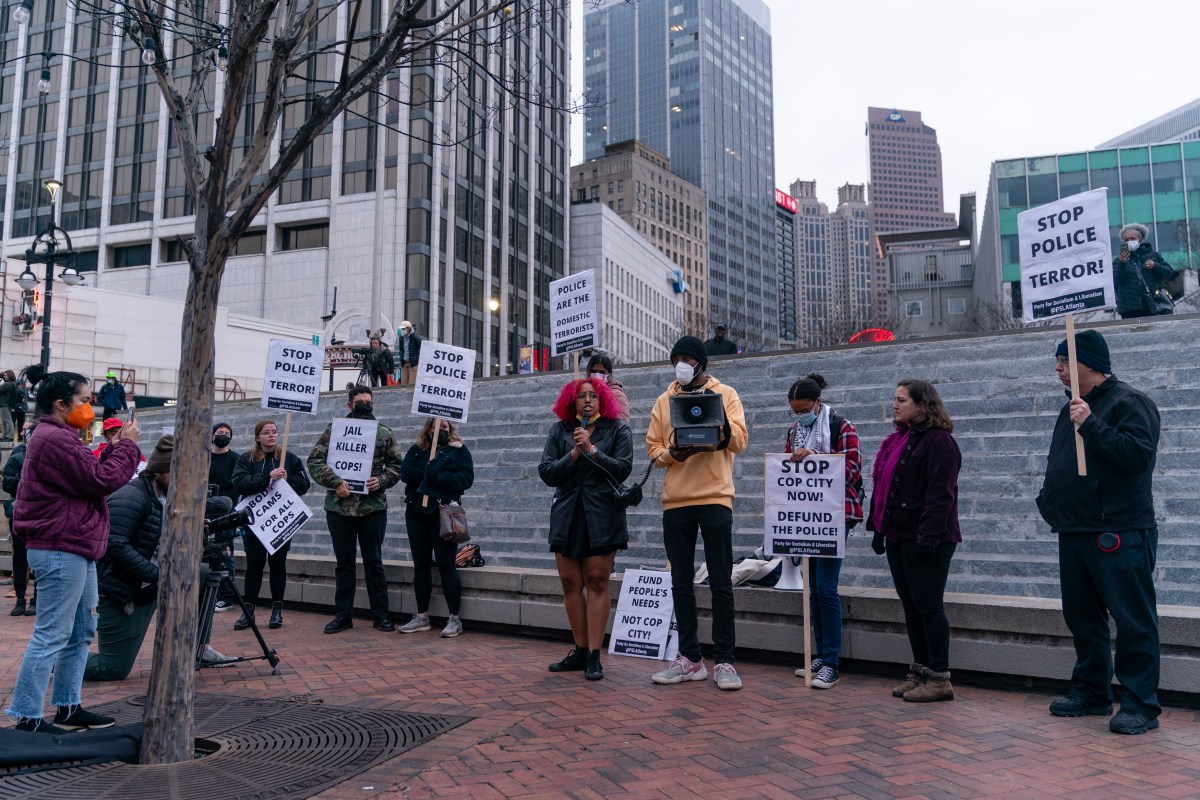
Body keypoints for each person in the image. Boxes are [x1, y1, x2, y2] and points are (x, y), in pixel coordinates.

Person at [1037, 331, 1162, 735]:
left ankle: (1140, 704)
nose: (1056, 368)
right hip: (1075, 529)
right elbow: (1060, 461)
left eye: (1063, 360)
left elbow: (1136, 458)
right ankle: (1091, 690)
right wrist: (1050, 500)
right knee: (1083, 618)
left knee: (1132, 619)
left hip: (1119, 530)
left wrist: (1091, 425)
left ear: (1088, 363)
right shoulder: (1070, 408)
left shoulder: (1130, 403)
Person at [5, 371, 140, 734]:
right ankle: (28, 716)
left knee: (81, 630)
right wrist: (126, 446)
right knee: (52, 633)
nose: (90, 407)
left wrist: (114, 449)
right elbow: (99, 480)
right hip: (60, 547)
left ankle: (67, 706)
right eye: (84, 400)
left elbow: (89, 473)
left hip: (74, 546)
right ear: (61, 405)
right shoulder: (54, 437)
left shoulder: (60, 436)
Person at [84, 436, 234, 681]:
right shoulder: (129, 497)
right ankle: (58, 659)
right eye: (179, 473)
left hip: (150, 584)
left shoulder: (167, 497)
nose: (183, 480)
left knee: (205, 573)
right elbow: (114, 546)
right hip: (121, 593)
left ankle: (199, 648)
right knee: (112, 669)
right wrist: (162, 576)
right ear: (159, 471)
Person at [645, 336, 748, 690]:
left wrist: (716, 418)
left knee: (721, 583)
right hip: (677, 501)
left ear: (702, 363)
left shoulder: (727, 394)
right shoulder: (664, 400)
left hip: (716, 497)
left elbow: (740, 441)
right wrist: (675, 453)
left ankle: (725, 661)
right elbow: (654, 451)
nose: (682, 364)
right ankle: (690, 658)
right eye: (677, 359)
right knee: (680, 582)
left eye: (688, 358)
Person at [866, 379, 962, 703]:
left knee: (929, 606)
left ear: (922, 405)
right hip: (899, 536)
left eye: (901, 400)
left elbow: (940, 496)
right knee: (911, 606)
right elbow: (885, 490)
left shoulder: (940, 442)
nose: (894, 405)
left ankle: (939, 678)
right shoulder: (898, 441)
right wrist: (879, 530)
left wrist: (927, 538)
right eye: (894, 399)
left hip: (928, 539)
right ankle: (920, 671)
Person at [538, 377, 633, 681]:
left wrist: (591, 450)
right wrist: (574, 453)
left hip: (602, 514)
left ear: (603, 399)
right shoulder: (560, 431)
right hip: (567, 514)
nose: (588, 401)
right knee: (569, 583)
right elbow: (547, 472)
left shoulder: (617, 429)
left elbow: (622, 469)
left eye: (593, 395)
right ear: (571, 402)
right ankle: (579, 649)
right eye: (581, 396)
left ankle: (594, 654)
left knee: (596, 581)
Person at [783, 373, 863, 690]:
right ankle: (820, 654)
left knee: (826, 587)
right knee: (813, 588)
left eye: (805, 410)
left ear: (818, 403)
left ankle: (831, 662)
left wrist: (817, 458)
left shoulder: (841, 427)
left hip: (835, 516)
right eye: (796, 411)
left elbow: (854, 470)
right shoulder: (794, 432)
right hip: (807, 516)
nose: (801, 416)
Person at [307, 386, 404, 633]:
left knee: (374, 563)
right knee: (344, 564)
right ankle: (343, 615)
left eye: (368, 402)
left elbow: (396, 466)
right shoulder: (334, 431)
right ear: (349, 404)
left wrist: (381, 481)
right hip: (339, 508)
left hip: (373, 508)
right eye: (359, 401)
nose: (364, 405)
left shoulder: (383, 433)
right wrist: (336, 482)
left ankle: (381, 615)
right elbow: (315, 461)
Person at [398, 418, 474, 637]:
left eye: (444, 426)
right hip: (416, 512)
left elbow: (465, 479)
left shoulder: (459, 451)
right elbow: (406, 473)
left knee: (446, 564)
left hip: (443, 514)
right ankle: (421, 616)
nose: (441, 429)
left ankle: (454, 618)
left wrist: (436, 477)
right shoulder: (417, 449)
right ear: (428, 428)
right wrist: (428, 475)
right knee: (420, 564)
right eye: (436, 426)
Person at [232, 419, 311, 631]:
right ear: (258, 437)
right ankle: (248, 611)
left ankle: (277, 610)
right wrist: (267, 477)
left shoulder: (289, 459)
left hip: (279, 522)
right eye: (266, 432)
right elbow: (239, 483)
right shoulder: (246, 459)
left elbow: (304, 485)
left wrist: (287, 479)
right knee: (254, 566)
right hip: (255, 523)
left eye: (274, 432)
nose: (271, 435)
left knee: (278, 565)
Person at [4, 418, 37, 616]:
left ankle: (37, 599)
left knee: (41, 558)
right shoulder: (17, 457)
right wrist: (29, 477)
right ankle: (20, 598)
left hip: (43, 515)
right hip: (20, 514)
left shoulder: (49, 458)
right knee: (20, 558)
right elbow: (8, 484)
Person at [208, 422, 241, 612]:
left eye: (227, 433)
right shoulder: (204, 457)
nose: (223, 435)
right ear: (212, 435)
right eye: (220, 432)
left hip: (226, 512)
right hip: (204, 511)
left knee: (225, 552)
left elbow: (236, 486)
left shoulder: (235, 459)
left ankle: (226, 596)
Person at [1114, 223, 1174, 319]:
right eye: (1126, 240)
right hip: (1128, 308)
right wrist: (1122, 263)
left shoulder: (1153, 255)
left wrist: (1155, 265)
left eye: (1132, 238)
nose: (1129, 241)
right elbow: (1116, 280)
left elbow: (1169, 273)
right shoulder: (1118, 260)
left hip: (1150, 305)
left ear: (1140, 239)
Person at [586, 353, 630, 423]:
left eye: (602, 372)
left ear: (608, 373)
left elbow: (622, 423)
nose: (597, 375)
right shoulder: (581, 392)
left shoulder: (617, 394)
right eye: (594, 371)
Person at [398, 321, 423, 385]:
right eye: (402, 329)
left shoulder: (416, 337)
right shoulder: (401, 338)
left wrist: (417, 359)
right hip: (405, 362)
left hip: (413, 363)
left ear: (408, 328)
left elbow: (423, 348)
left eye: (404, 329)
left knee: (412, 383)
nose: (402, 330)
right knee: (403, 383)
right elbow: (401, 350)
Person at [0, 370, 16, 441]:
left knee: (7, 421)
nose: (4, 376)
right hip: (5, 404)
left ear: (10, 375)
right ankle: (4, 436)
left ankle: (10, 437)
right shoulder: (11, 383)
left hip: (4, 404)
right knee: (4, 421)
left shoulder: (8, 384)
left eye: (6, 375)